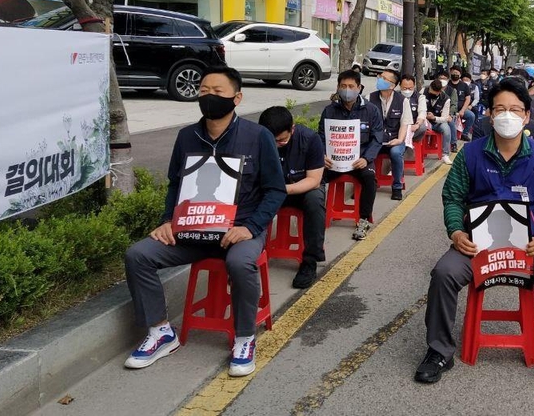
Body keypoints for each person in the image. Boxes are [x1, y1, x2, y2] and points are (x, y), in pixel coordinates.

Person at [414, 77, 534, 395]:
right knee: (444, 273)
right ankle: (439, 351)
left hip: (529, 247)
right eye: (500, 108)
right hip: (477, 246)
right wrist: (457, 231)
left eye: (515, 109)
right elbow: (453, 198)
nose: (507, 115)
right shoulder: (470, 155)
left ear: (527, 115)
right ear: (489, 114)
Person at [123, 66, 285, 377]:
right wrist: (167, 220)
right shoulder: (187, 137)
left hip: (240, 231)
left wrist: (250, 228)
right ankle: (160, 332)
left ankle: (244, 338)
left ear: (236, 98)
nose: (209, 97)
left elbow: (275, 191)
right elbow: (175, 184)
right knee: (138, 255)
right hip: (192, 231)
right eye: (203, 91)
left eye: (217, 92)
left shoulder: (258, 137)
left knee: (239, 264)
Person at [258, 106, 327, 289]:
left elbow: (314, 180)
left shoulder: (310, 140)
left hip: (299, 190)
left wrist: (283, 189)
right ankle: (248, 257)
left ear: (292, 129)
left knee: (315, 199)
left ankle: (310, 261)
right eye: (271, 141)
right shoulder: (257, 141)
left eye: (281, 140)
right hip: (269, 192)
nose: (276, 144)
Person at [319, 69, 384, 240]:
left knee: (370, 179)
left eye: (351, 86)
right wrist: (323, 155)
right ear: (338, 87)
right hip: (333, 162)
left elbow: (377, 138)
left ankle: (363, 219)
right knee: (314, 178)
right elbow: (321, 137)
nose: (347, 90)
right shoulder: (329, 111)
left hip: (359, 160)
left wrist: (366, 158)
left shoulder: (371, 110)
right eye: (343, 86)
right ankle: (318, 219)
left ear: (359, 88)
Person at [369, 69, 412, 201]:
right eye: (380, 76)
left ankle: (397, 187)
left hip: (394, 139)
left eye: (384, 78)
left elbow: (405, 123)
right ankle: (368, 185)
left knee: (395, 153)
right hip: (375, 140)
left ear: (392, 85)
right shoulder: (369, 98)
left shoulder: (402, 101)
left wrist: (399, 140)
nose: (380, 79)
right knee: (366, 153)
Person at [425, 79, 454, 165]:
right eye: (431, 91)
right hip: (423, 120)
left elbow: (445, 118)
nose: (432, 94)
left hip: (436, 122)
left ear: (440, 91)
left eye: (435, 93)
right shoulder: (423, 92)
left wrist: (434, 118)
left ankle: (445, 154)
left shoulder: (446, 99)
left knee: (446, 129)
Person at [448, 65, 475, 142]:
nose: (455, 74)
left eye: (457, 73)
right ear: (450, 73)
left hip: (461, 109)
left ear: (460, 74)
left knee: (471, 116)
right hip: (450, 110)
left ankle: (464, 134)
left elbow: (468, 99)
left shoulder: (464, 85)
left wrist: (463, 110)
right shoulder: (447, 85)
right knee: (450, 120)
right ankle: (452, 138)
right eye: (453, 72)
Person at [400, 74, 427, 148]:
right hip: (399, 126)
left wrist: (417, 124)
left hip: (413, 126)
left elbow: (422, 112)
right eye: (405, 88)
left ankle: (408, 143)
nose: (407, 91)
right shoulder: (396, 96)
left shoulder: (420, 97)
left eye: (410, 88)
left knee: (422, 127)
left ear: (414, 86)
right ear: (400, 86)